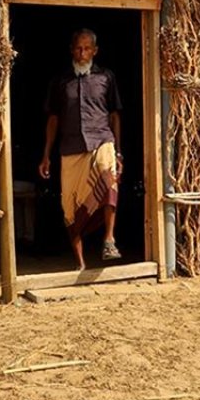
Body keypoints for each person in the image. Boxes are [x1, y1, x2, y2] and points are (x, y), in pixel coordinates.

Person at [38, 28, 123, 270]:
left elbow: (114, 115)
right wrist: (46, 155)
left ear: (95, 51)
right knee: (70, 207)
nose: (82, 52)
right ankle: (80, 264)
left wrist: (118, 150)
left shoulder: (106, 77)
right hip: (71, 147)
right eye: (78, 47)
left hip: (102, 140)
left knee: (108, 180)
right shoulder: (60, 81)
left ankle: (109, 240)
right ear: (71, 49)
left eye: (87, 48)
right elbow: (53, 119)